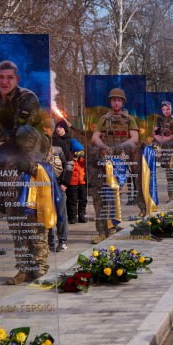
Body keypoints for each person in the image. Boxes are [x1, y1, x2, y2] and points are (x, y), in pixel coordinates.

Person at [0, 60, 50, 284]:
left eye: (9, 77)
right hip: (9, 163)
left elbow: (17, 133)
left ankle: (39, 265)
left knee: (34, 214)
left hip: (34, 156)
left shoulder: (27, 98)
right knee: (15, 216)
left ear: (17, 80)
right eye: (1, 77)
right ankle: (23, 267)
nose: (4, 81)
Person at [89, 87, 139, 243]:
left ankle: (113, 227)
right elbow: (95, 137)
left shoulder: (129, 119)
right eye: (114, 100)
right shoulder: (104, 118)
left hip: (120, 162)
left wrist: (120, 147)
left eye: (119, 100)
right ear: (110, 102)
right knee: (100, 197)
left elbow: (135, 138)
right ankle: (102, 231)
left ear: (122, 102)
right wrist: (104, 147)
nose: (116, 102)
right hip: (104, 161)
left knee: (114, 196)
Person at [48, 119, 72, 252]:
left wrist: (65, 183)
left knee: (61, 213)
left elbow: (69, 163)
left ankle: (62, 240)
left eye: (49, 128)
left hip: (58, 185)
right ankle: (49, 241)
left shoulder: (60, 144)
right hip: (42, 186)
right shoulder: (36, 145)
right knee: (46, 213)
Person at [153, 101, 173, 201]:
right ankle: (171, 196)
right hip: (165, 148)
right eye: (164, 109)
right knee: (168, 173)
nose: (166, 111)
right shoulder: (159, 120)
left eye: (168, 109)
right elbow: (155, 132)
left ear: (171, 109)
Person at [67, 138, 88, 224]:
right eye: (77, 152)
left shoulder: (82, 160)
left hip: (82, 182)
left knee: (83, 199)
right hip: (72, 183)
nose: (79, 154)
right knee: (72, 200)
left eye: (81, 152)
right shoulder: (70, 160)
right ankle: (72, 217)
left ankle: (81, 215)